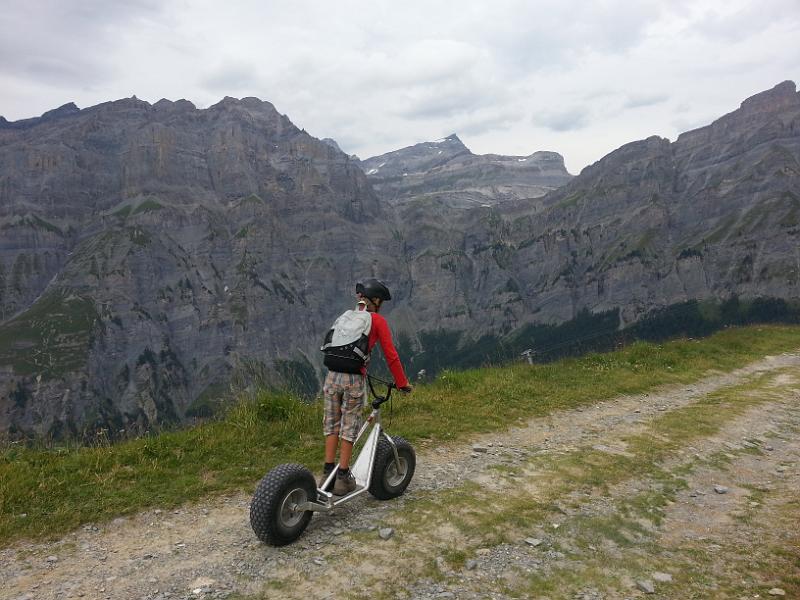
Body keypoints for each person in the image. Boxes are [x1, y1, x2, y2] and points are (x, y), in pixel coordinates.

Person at [322, 278, 413, 495]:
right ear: (376, 300)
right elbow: (391, 355)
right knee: (349, 425)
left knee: (332, 424)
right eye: (381, 301)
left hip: (331, 376)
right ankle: (343, 477)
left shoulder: (346, 316)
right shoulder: (377, 321)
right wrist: (402, 383)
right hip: (353, 380)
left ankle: (327, 473)